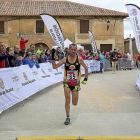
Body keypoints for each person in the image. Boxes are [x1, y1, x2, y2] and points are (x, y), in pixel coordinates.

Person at [52, 44, 88, 125]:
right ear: (68, 50)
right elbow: (55, 67)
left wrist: (86, 78)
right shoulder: (65, 59)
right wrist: (53, 59)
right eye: (71, 49)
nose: (73, 51)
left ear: (76, 50)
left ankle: (72, 99)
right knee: (67, 100)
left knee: (74, 103)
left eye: (74, 49)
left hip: (76, 83)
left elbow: (86, 68)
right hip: (66, 82)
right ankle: (67, 117)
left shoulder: (79, 59)